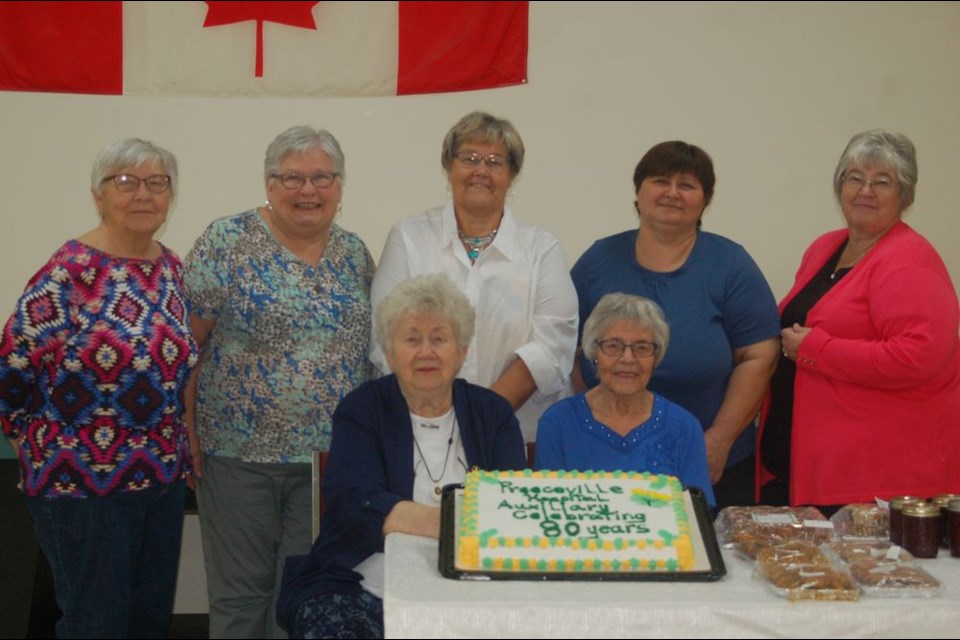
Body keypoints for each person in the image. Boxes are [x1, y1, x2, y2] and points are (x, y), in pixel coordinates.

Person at [0, 139, 196, 638]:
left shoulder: (171, 269)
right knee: (96, 625)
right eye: (126, 182)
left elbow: (182, 365)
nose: (143, 194)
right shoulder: (68, 273)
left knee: (148, 621)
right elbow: (13, 367)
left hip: (160, 481)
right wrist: (33, 443)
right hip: (81, 486)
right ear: (99, 194)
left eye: (157, 183)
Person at [183, 126, 374, 639]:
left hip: (325, 464)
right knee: (241, 597)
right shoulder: (227, 240)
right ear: (269, 184)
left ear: (339, 186)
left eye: (321, 178)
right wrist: (187, 431)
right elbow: (186, 347)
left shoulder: (355, 254)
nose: (307, 190)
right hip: (237, 458)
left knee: (303, 599)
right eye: (292, 177)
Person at [277, 273, 526, 638]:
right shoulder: (362, 409)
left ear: (462, 351)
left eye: (439, 338)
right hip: (363, 587)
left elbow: (510, 506)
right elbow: (355, 502)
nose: (426, 351)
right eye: (412, 339)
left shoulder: (493, 414)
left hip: (476, 587)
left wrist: (422, 520)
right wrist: (458, 525)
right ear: (391, 353)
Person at [571, 141, 780, 508]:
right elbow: (570, 351)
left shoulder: (731, 265)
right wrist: (586, 424)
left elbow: (759, 355)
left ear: (705, 199)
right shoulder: (598, 261)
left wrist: (718, 441)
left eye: (687, 185)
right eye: (660, 181)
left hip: (713, 464)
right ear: (638, 191)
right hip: (606, 463)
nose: (672, 193)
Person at [758, 129, 960, 507]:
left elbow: (918, 357)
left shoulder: (910, 262)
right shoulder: (825, 247)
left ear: (904, 195)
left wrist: (816, 348)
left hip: (878, 479)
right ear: (840, 186)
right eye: (855, 178)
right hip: (811, 462)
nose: (865, 191)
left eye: (882, 182)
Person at [370, 111, 578, 443]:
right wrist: (444, 417)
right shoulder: (408, 238)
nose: (481, 170)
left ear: (512, 175)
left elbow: (551, 351)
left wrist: (480, 419)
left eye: (495, 161)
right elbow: (386, 337)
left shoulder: (542, 250)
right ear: (448, 167)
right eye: (469, 158)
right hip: (422, 436)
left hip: (514, 438)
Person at [536, 293, 715, 507]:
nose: (628, 359)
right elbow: (550, 512)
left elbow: (697, 518)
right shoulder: (557, 423)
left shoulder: (684, 427)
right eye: (613, 346)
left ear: (656, 357)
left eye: (642, 347)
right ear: (594, 352)